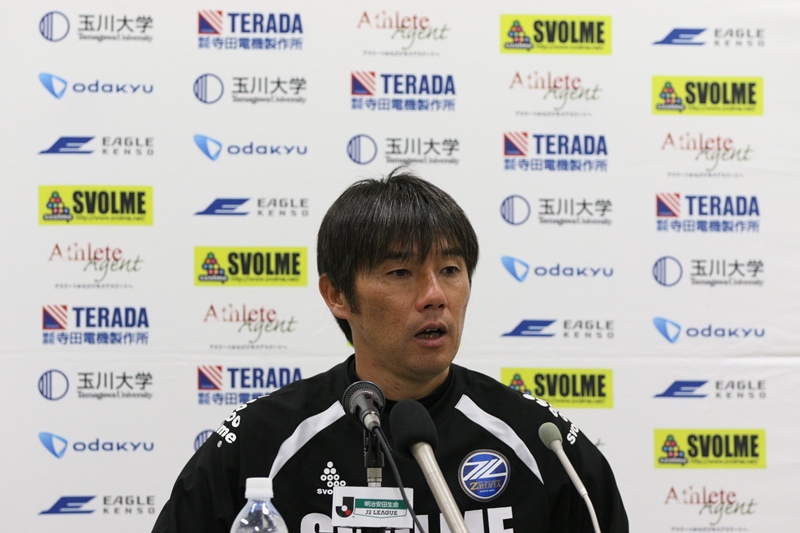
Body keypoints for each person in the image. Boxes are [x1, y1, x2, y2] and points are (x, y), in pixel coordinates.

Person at [152, 168, 628, 533]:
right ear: (337, 295)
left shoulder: (540, 443)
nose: (435, 295)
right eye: (401, 273)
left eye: (450, 270)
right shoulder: (263, 442)